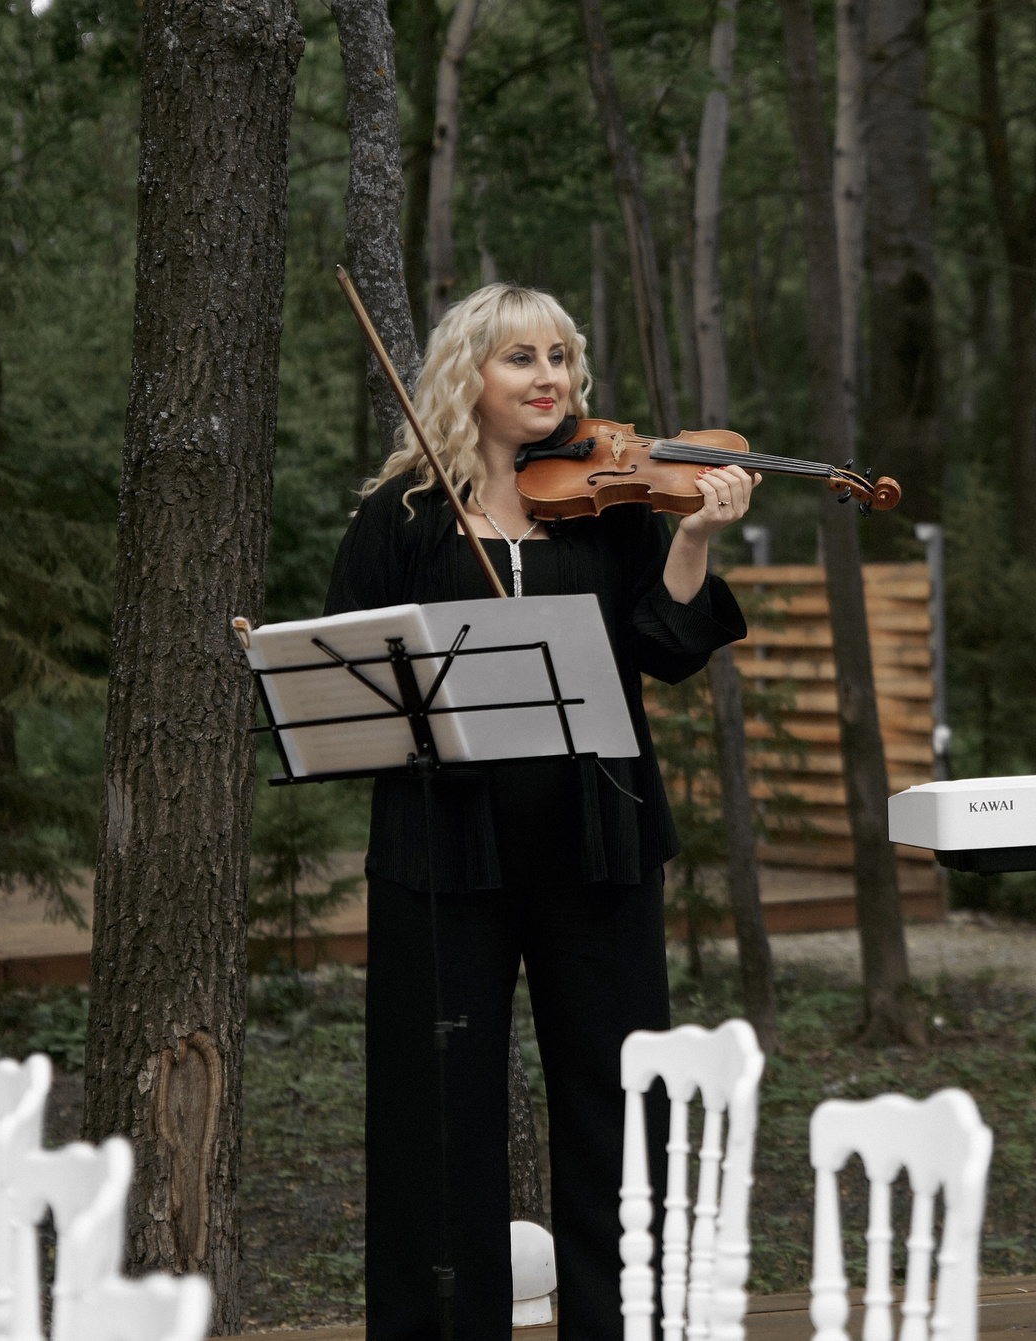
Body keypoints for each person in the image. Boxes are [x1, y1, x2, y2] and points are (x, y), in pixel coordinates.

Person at [323, 283, 757, 1341]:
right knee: (435, 1123)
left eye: (560, 356)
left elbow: (663, 647)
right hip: (443, 851)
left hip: (596, 840)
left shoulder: (610, 507)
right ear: (466, 372)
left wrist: (693, 542)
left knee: (617, 1111)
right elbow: (344, 666)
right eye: (521, 356)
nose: (549, 377)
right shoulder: (404, 516)